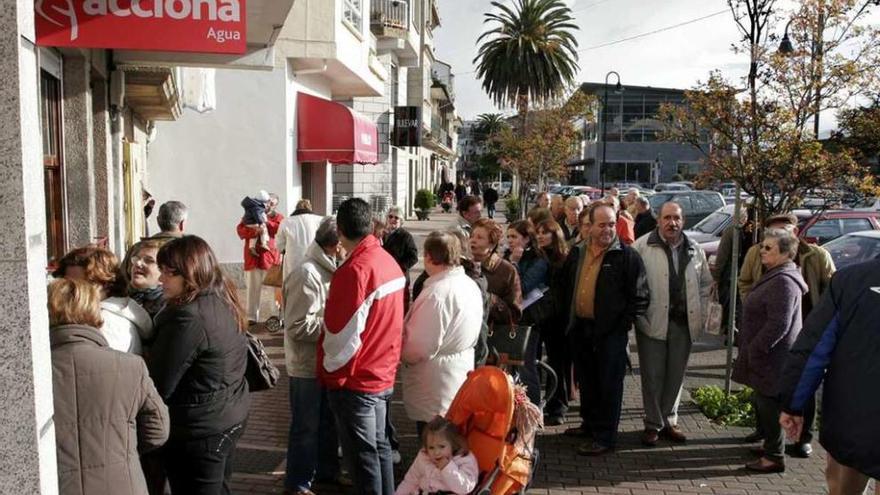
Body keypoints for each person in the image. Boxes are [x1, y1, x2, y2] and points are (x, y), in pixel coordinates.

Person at [48, 278, 170, 495]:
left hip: (56, 484)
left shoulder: (33, 374)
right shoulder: (131, 365)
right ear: (96, 313)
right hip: (122, 483)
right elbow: (158, 429)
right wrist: (122, 450)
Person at [150, 236, 251, 494]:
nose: (161, 279)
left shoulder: (189, 317)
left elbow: (160, 383)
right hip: (227, 415)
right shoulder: (221, 297)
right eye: (161, 271)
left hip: (201, 429)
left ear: (191, 273)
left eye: (168, 273)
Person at [319, 198, 405, 495]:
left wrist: (331, 375)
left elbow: (340, 336)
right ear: (370, 226)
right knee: (379, 449)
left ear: (340, 230)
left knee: (362, 457)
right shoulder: (387, 261)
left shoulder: (355, 270)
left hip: (358, 381)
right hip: (382, 372)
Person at [777, 260, 880, 495]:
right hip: (852, 420)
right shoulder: (848, 280)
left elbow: (813, 349)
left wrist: (793, 404)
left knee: (843, 486)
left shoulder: (849, 280)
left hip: (851, 419)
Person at [738, 212, 835, 457]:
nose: (778, 235)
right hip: (773, 334)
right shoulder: (758, 254)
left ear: (793, 233)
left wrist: (821, 320)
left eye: (785, 230)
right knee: (768, 389)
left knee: (803, 386)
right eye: (773, 231)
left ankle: (802, 438)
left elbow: (831, 290)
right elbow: (745, 281)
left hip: (806, 329)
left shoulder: (816, 255)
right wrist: (753, 304)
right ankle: (769, 436)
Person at [560, 204, 650, 456]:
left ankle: (605, 437)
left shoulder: (627, 256)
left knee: (609, 385)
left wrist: (621, 325)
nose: (608, 229)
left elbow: (640, 297)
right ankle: (589, 425)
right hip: (581, 328)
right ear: (588, 226)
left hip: (610, 333)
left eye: (612, 224)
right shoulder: (577, 252)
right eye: (602, 224)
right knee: (587, 381)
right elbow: (566, 286)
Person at [632, 201, 712, 446]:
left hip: (683, 323)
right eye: (667, 218)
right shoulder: (642, 246)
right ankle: (653, 423)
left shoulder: (694, 248)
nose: (672, 223)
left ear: (683, 221)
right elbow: (633, 284)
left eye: (676, 218)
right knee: (653, 375)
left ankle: (669, 420)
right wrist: (639, 315)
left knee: (676, 374)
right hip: (653, 321)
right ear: (659, 220)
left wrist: (701, 310)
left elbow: (705, 284)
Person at [731, 228, 806, 473]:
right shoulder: (776, 274)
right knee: (765, 403)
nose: (761, 251)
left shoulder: (784, 281)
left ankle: (774, 456)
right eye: (763, 246)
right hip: (767, 356)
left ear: (785, 253)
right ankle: (771, 447)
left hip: (772, 357)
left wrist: (755, 349)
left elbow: (779, 324)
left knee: (769, 404)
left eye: (768, 248)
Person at [283, 217, 343, 495]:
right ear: (335, 245)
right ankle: (298, 482)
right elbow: (296, 327)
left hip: (324, 360)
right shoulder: (307, 273)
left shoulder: (330, 268)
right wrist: (336, 325)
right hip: (305, 366)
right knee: (306, 427)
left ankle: (327, 473)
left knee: (328, 422)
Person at [402, 232, 483, 432]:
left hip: (436, 383)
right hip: (456, 372)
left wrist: (400, 351)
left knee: (435, 444)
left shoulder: (437, 293)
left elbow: (418, 347)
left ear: (429, 256)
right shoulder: (468, 284)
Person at [55, 246, 154, 355]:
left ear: (106, 284)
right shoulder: (102, 314)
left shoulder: (108, 322)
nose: (72, 292)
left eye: (82, 285)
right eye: (67, 284)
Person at [504, 220, 550, 405]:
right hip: (509, 319)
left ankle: (533, 411)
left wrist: (513, 264)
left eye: (514, 237)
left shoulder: (538, 259)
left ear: (527, 239)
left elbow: (521, 287)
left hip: (528, 320)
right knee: (510, 367)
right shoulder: (509, 255)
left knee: (526, 367)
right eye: (508, 236)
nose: (510, 241)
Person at [535, 219, 571, 425]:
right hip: (538, 316)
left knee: (558, 363)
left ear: (555, 235)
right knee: (535, 361)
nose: (540, 236)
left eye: (545, 233)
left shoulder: (564, 258)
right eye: (538, 232)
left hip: (557, 318)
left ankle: (558, 406)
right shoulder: (535, 256)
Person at [394, 416, 479, 495]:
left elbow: (465, 488)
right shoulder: (423, 458)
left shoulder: (463, 459)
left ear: (453, 444)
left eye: (442, 447)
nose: (436, 452)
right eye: (431, 448)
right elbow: (410, 481)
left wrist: (447, 468)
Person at [236, 193, 283, 326]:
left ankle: (274, 317)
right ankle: (252, 317)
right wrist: (255, 231)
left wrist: (265, 222)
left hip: (270, 258)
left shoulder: (278, 218)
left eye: (272, 204)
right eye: (268, 202)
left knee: (273, 291)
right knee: (252, 289)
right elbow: (240, 230)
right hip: (252, 259)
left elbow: (278, 230)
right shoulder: (251, 214)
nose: (269, 205)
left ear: (275, 205)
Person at [469, 218, 522, 328]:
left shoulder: (507, 271)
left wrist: (490, 300)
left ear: (492, 245)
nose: (473, 240)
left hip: (490, 334)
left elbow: (514, 315)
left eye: (479, 238)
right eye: (472, 236)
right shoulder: (460, 266)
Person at [276, 199, 324, 283]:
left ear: (296, 208)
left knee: (292, 288)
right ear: (310, 208)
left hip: (293, 262)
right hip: (314, 261)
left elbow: (280, 245)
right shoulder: (320, 220)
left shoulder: (286, 222)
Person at [383, 205, 419, 312]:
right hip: (384, 277)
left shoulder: (406, 236)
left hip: (400, 277)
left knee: (400, 307)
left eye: (396, 218)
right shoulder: (383, 235)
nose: (393, 220)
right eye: (390, 217)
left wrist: (399, 267)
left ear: (401, 220)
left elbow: (413, 257)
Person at [241, 190, 272, 255]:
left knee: (255, 234)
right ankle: (264, 243)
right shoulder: (258, 207)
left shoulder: (253, 205)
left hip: (248, 221)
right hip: (252, 222)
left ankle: (252, 247)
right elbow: (257, 215)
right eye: (268, 203)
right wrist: (261, 223)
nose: (268, 205)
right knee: (263, 229)